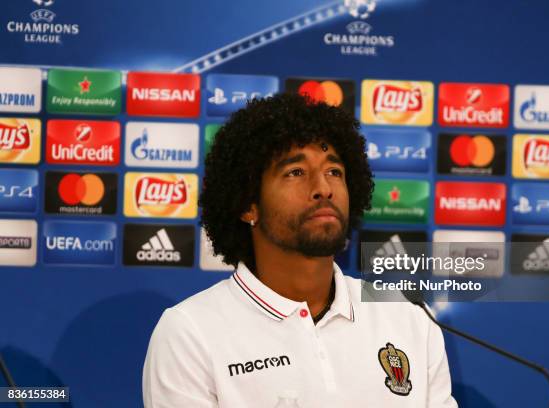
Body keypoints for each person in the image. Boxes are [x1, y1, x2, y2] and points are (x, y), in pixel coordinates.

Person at [142, 93, 457, 407]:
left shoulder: (406, 317)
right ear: (248, 205)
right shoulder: (190, 332)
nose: (324, 188)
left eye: (334, 171)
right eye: (295, 172)